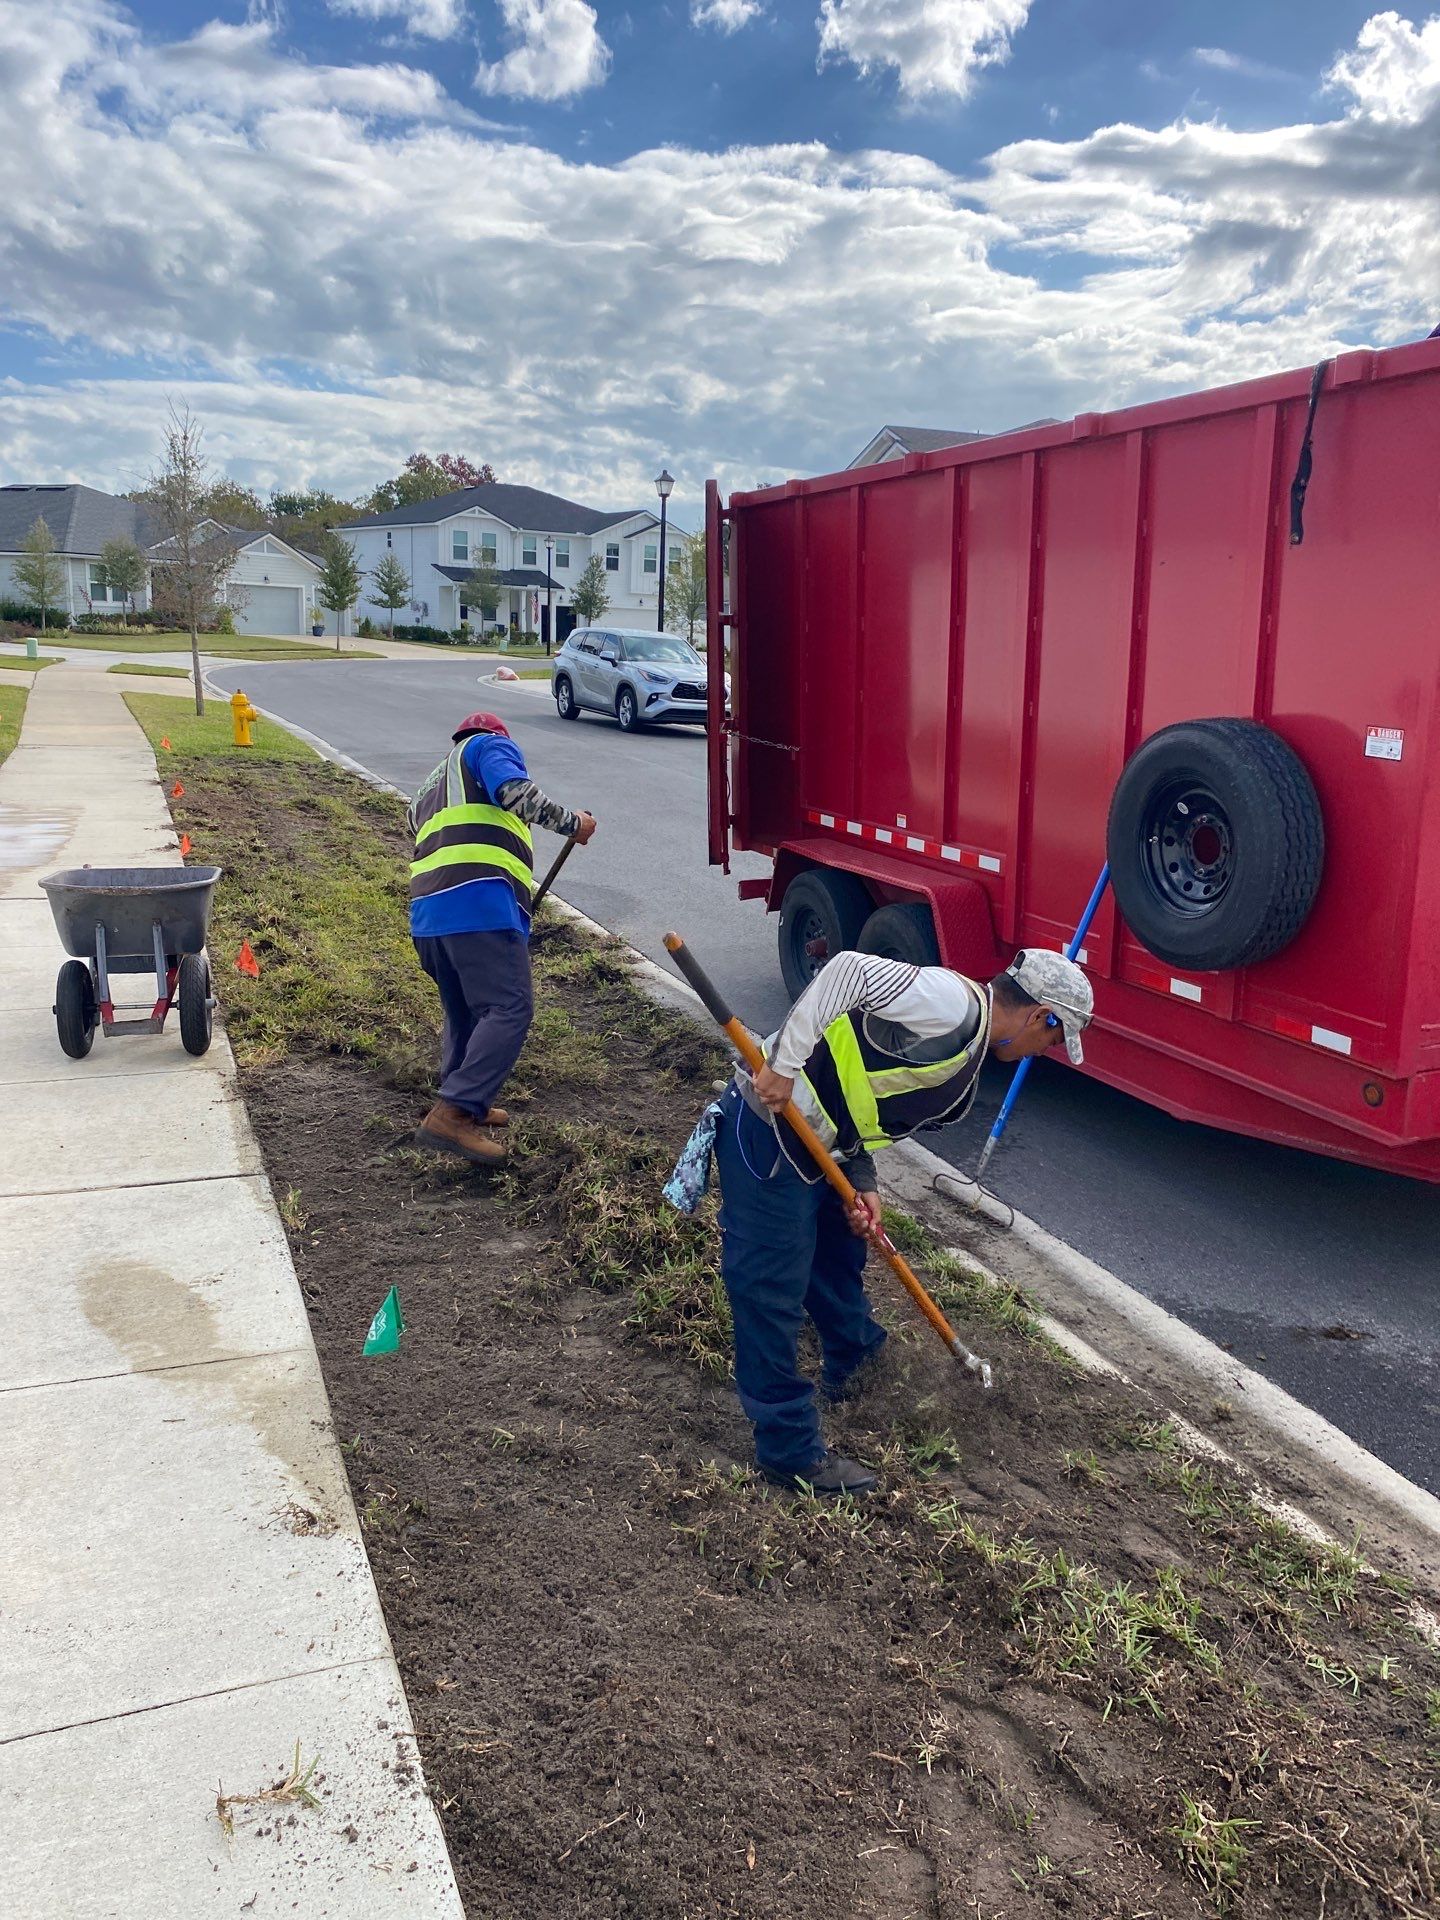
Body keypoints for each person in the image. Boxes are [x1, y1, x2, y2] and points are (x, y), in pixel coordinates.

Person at [668, 945, 1092, 1494]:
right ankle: (788, 1450)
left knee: (836, 1261)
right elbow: (845, 970)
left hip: (822, 1147)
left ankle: (856, 1367)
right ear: (1040, 1016)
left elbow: (859, 1083)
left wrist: (863, 1178)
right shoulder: (952, 1007)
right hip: (771, 1132)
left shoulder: (969, 1039)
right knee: (768, 1290)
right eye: (1053, 1039)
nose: (1045, 1050)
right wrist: (782, 1065)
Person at [408, 711, 596, 1165]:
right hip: (478, 904)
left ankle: (463, 1097)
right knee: (510, 1007)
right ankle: (453, 1113)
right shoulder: (487, 746)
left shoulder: (428, 788)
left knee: (465, 1009)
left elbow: (422, 838)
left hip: (430, 913)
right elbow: (515, 793)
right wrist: (575, 823)